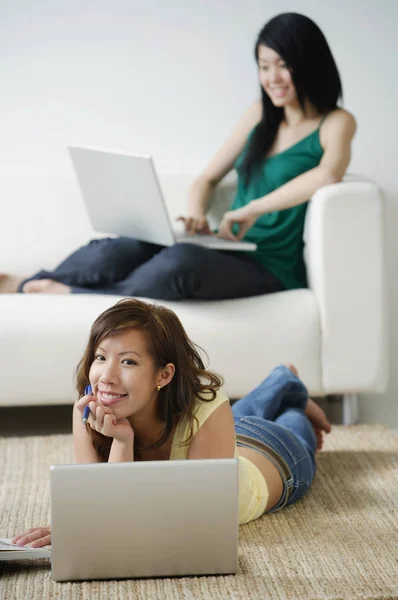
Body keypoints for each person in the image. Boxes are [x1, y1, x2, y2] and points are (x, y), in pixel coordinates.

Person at [1, 12, 356, 300]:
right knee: (123, 248)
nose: (272, 77)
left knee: (179, 263)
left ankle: (73, 293)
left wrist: (251, 209)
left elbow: (327, 175)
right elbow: (206, 179)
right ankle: (27, 283)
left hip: (271, 266)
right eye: (264, 67)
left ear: (307, 63)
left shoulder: (335, 122)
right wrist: (197, 215)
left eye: (282, 65)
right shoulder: (259, 115)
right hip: (231, 247)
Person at [12, 298, 331, 548]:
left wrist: (90, 523)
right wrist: (122, 442)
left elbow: (183, 522)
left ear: (164, 374)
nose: (106, 377)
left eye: (127, 361)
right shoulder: (88, 410)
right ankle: (281, 380)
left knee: (293, 422)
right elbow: (101, 505)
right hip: (229, 435)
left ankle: (289, 388)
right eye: (100, 357)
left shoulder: (205, 407)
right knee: (236, 415)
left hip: (276, 455)